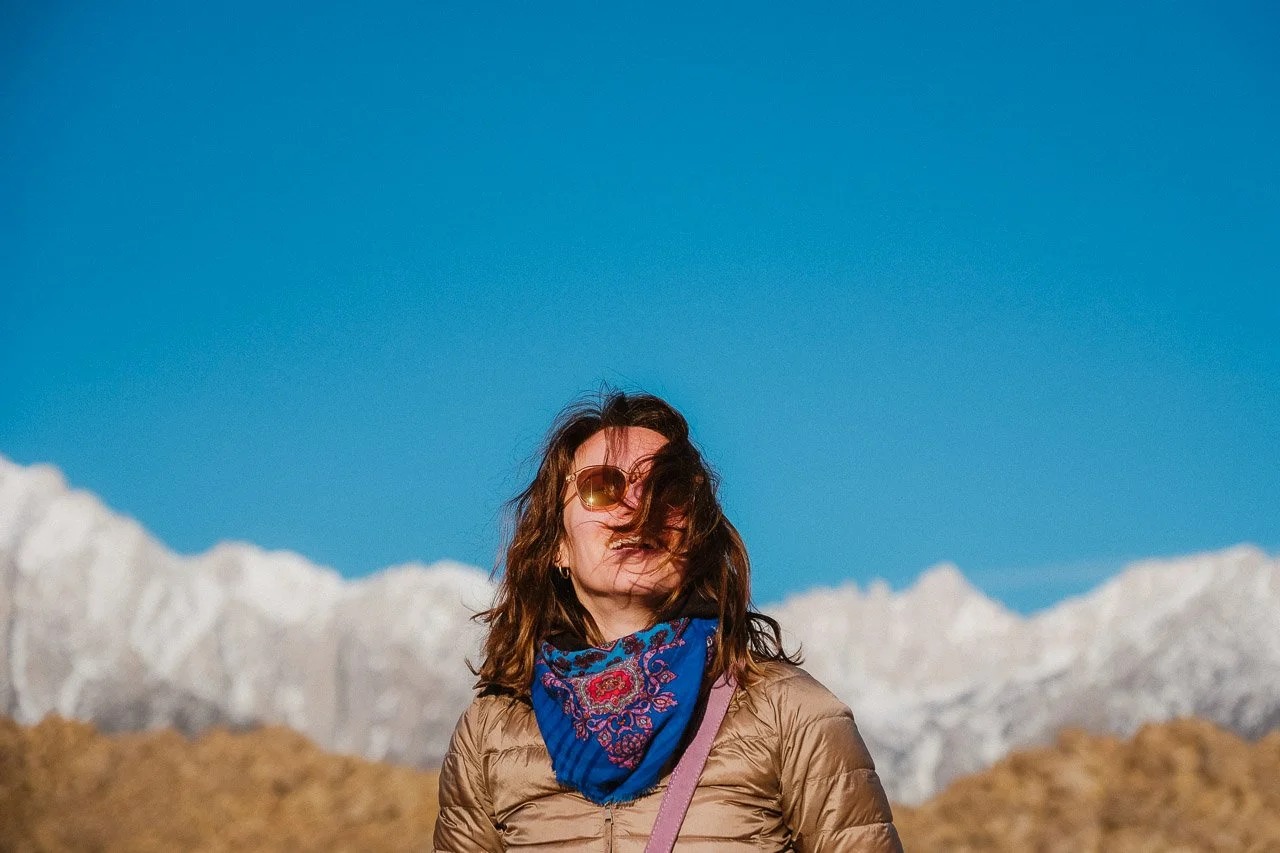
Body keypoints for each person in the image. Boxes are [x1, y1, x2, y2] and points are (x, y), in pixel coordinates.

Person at [433, 390, 903, 852]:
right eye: (602, 486)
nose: (637, 506)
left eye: (668, 488)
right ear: (557, 544)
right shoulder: (489, 733)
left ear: (695, 535)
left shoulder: (792, 714)